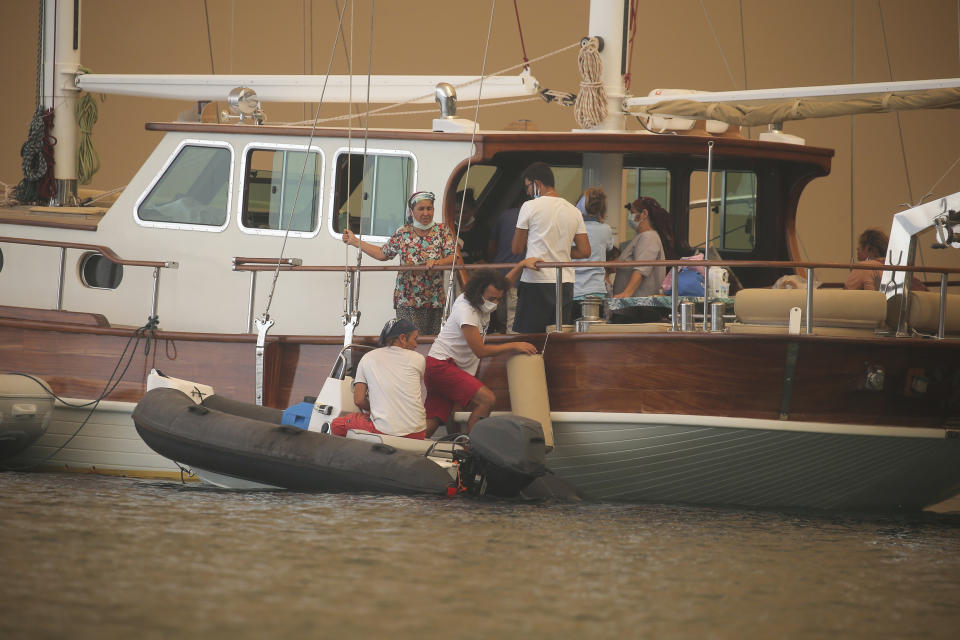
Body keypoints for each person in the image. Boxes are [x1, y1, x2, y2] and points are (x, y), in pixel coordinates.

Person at [424, 260, 541, 436]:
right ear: (479, 293)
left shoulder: (480, 299)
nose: (495, 303)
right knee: (487, 399)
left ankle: (409, 447)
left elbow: (504, 284)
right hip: (442, 366)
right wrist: (514, 345)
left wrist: (521, 265)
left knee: (433, 420)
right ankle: (474, 448)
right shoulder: (466, 310)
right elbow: (480, 351)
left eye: (498, 299)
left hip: (439, 366)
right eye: (491, 299)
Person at [342, 191, 456, 335]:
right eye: (421, 209)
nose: (426, 213)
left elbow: (453, 257)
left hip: (434, 299)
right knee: (409, 342)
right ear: (411, 211)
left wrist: (437, 262)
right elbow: (382, 254)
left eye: (429, 208)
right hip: (407, 300)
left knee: (432, 344)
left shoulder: (442, 231)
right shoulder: (403, 232)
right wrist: (355, 241)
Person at [511, 162, 591, 332]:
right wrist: (558, 248)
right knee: (558, 336)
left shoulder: (529, 206)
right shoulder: (573, 210)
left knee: (531, 336)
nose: (527, 192)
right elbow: (584, 250)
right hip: (565, 282)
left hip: (536, 281)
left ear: (537, 184)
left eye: (528, 187)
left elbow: (516, 248)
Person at [331, 318, 427, 439]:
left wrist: (376, 408)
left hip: (384, 431)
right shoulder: (419, 359)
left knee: (336, 424)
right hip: (418, 433)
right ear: (402, 338)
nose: (416, 345)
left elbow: (359, 400)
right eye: (415, 339)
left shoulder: (368, 358)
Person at [611, 196, 675, 322]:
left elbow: (641, 269)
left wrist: (627, 294)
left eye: (632, 212)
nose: (630, 217)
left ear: (644, 214)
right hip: (631, 308)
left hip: (637, 309)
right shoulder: (641, 237)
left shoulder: (648, 237)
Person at [487, 191, 528, 333]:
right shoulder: (532, 217)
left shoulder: (504, 215)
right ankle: (511, 346)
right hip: (518, 275)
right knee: (513, 319)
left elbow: (492, 246)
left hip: (499, 272)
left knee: (498, 315)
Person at [573, 187, 614, 317]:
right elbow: (610, 247)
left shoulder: (573, 228)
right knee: (593, 333)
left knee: (571, 333)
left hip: (574, 290)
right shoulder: (606, 229)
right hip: (596, 290)